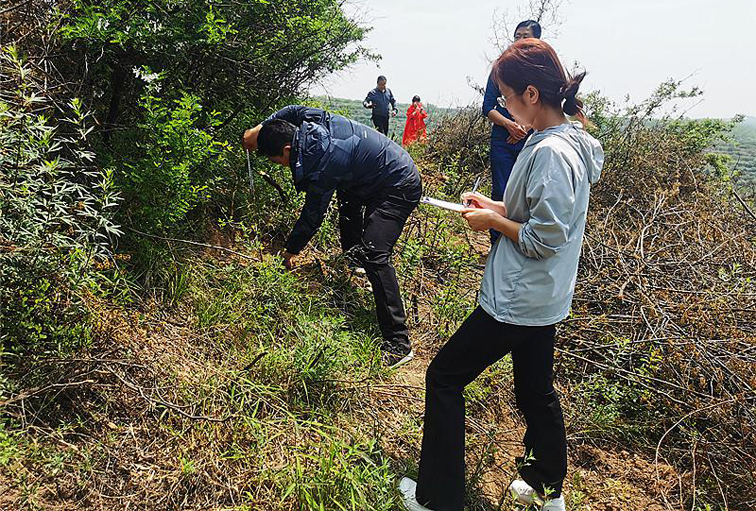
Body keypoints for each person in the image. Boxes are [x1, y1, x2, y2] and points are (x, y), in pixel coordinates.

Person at [399, 38, 604, 511]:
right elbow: (535, 213)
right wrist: (495, 206)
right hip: (545, 298)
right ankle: (547, 488)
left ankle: (438, 499)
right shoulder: (566, 141)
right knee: (535, 388)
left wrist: (493, 223)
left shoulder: (552, 152)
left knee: (444, 377)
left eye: (507, 96)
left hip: (517, 297)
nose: (505, 107)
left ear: (531, 94)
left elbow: (543, 238)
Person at [242, 105, 422, 368]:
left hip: (398, 183)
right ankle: (354, 264)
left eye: (276, 161)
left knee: (375, 253)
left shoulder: (323, 160)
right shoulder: (310, 124)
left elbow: (312, 216)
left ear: (287, 151)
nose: (279, 166)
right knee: (348, 204)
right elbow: (291, 111)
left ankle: (398, 342)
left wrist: (289, 251)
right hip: (369, 177)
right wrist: (260, 128)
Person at [482, 20, 542, 243]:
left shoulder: (540, 72)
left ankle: (522, 241)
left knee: (527, 194)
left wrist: (525, 127)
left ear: (537, 40)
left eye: (525, 36)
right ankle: (497, 243)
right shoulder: (501, 68)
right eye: (517, 36)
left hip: (530, 140)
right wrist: (509, 125)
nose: (520, 41)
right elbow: (487, 106)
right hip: (502, 139)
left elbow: (547, 107)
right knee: (501, 190)